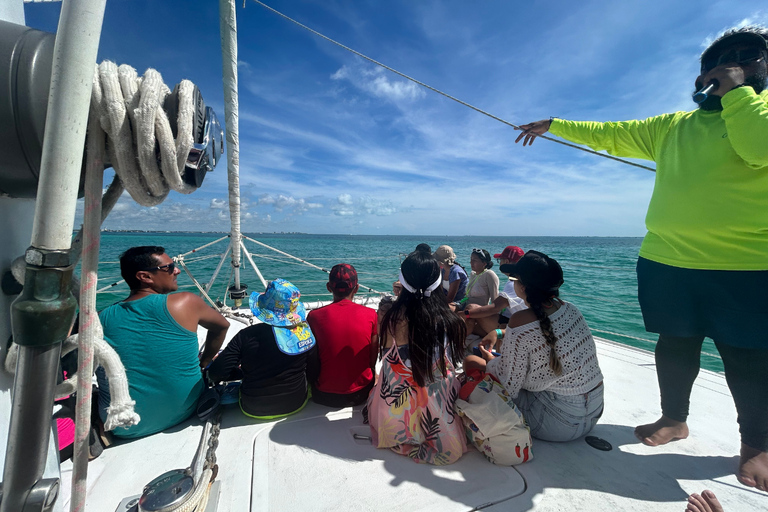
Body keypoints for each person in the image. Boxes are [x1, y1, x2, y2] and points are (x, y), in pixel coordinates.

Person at [515, 26, 768, 490]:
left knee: (748, 358)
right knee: (674, 346)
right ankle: (674, 419)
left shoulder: (760, 112)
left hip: (749, 265)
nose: (727, 65)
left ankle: (756, 444)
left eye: (745, 58)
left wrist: (739, 94)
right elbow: (611, 133)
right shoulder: (673, 126)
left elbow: (758, 149)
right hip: (667, 260)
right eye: (716, 60)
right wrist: (554, 124)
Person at [464, 251, 604, 442]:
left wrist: (490, 361)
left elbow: (508, 386)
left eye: (514, 279)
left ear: (522, 287)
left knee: (471, 361)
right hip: (594, 411)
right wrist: (498, 333)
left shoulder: (520, 321)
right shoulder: (570, 309)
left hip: (556, 423)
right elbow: (543, 336)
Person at [97, 246, 229, 439]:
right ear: (145, 277)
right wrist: (205, 363)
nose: (177, 270)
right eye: (169, 267)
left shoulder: (100, 318)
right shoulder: (186, 302)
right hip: (186, 409)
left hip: (122, 427)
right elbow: (222, 326)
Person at [366, 250, 468, 465]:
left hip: (398, 408)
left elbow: (387, 358)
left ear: (403, 281)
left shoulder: (390, 316)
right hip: (438, 404)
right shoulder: (451, 318)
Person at [207, 279, 316, 419]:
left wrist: (240, 372)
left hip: (252, 407)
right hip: (296, 403)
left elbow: (217, 373)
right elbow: (314, 369)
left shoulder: (246, 336)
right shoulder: (305, 334)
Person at [306, 264, 378, 407]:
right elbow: (372, 359)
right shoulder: (371, 315)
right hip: (361, 393)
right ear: (356, 288)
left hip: (323, 395)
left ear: (328, 287)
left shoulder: (314, 316)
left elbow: (312, 357)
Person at [463, 246, 526, 345]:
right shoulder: (519, 280)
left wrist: (466, 313)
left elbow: (495, 307)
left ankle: (457, 346)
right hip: (511, 322)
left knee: (471, 308)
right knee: (471, 323)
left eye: (500, 260)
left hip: (509, 324)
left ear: (506, 261)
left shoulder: (514, 283)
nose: (500, 263)